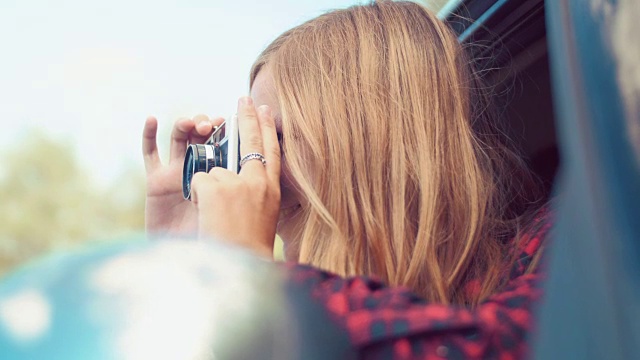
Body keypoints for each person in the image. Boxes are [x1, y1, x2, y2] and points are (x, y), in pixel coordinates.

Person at [142, 1, 551, 358]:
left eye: (271, 139)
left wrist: (250, 283)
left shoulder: (556, 251)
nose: (257, 173)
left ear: (368, 140)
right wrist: (183, 266)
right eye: (253, 145)